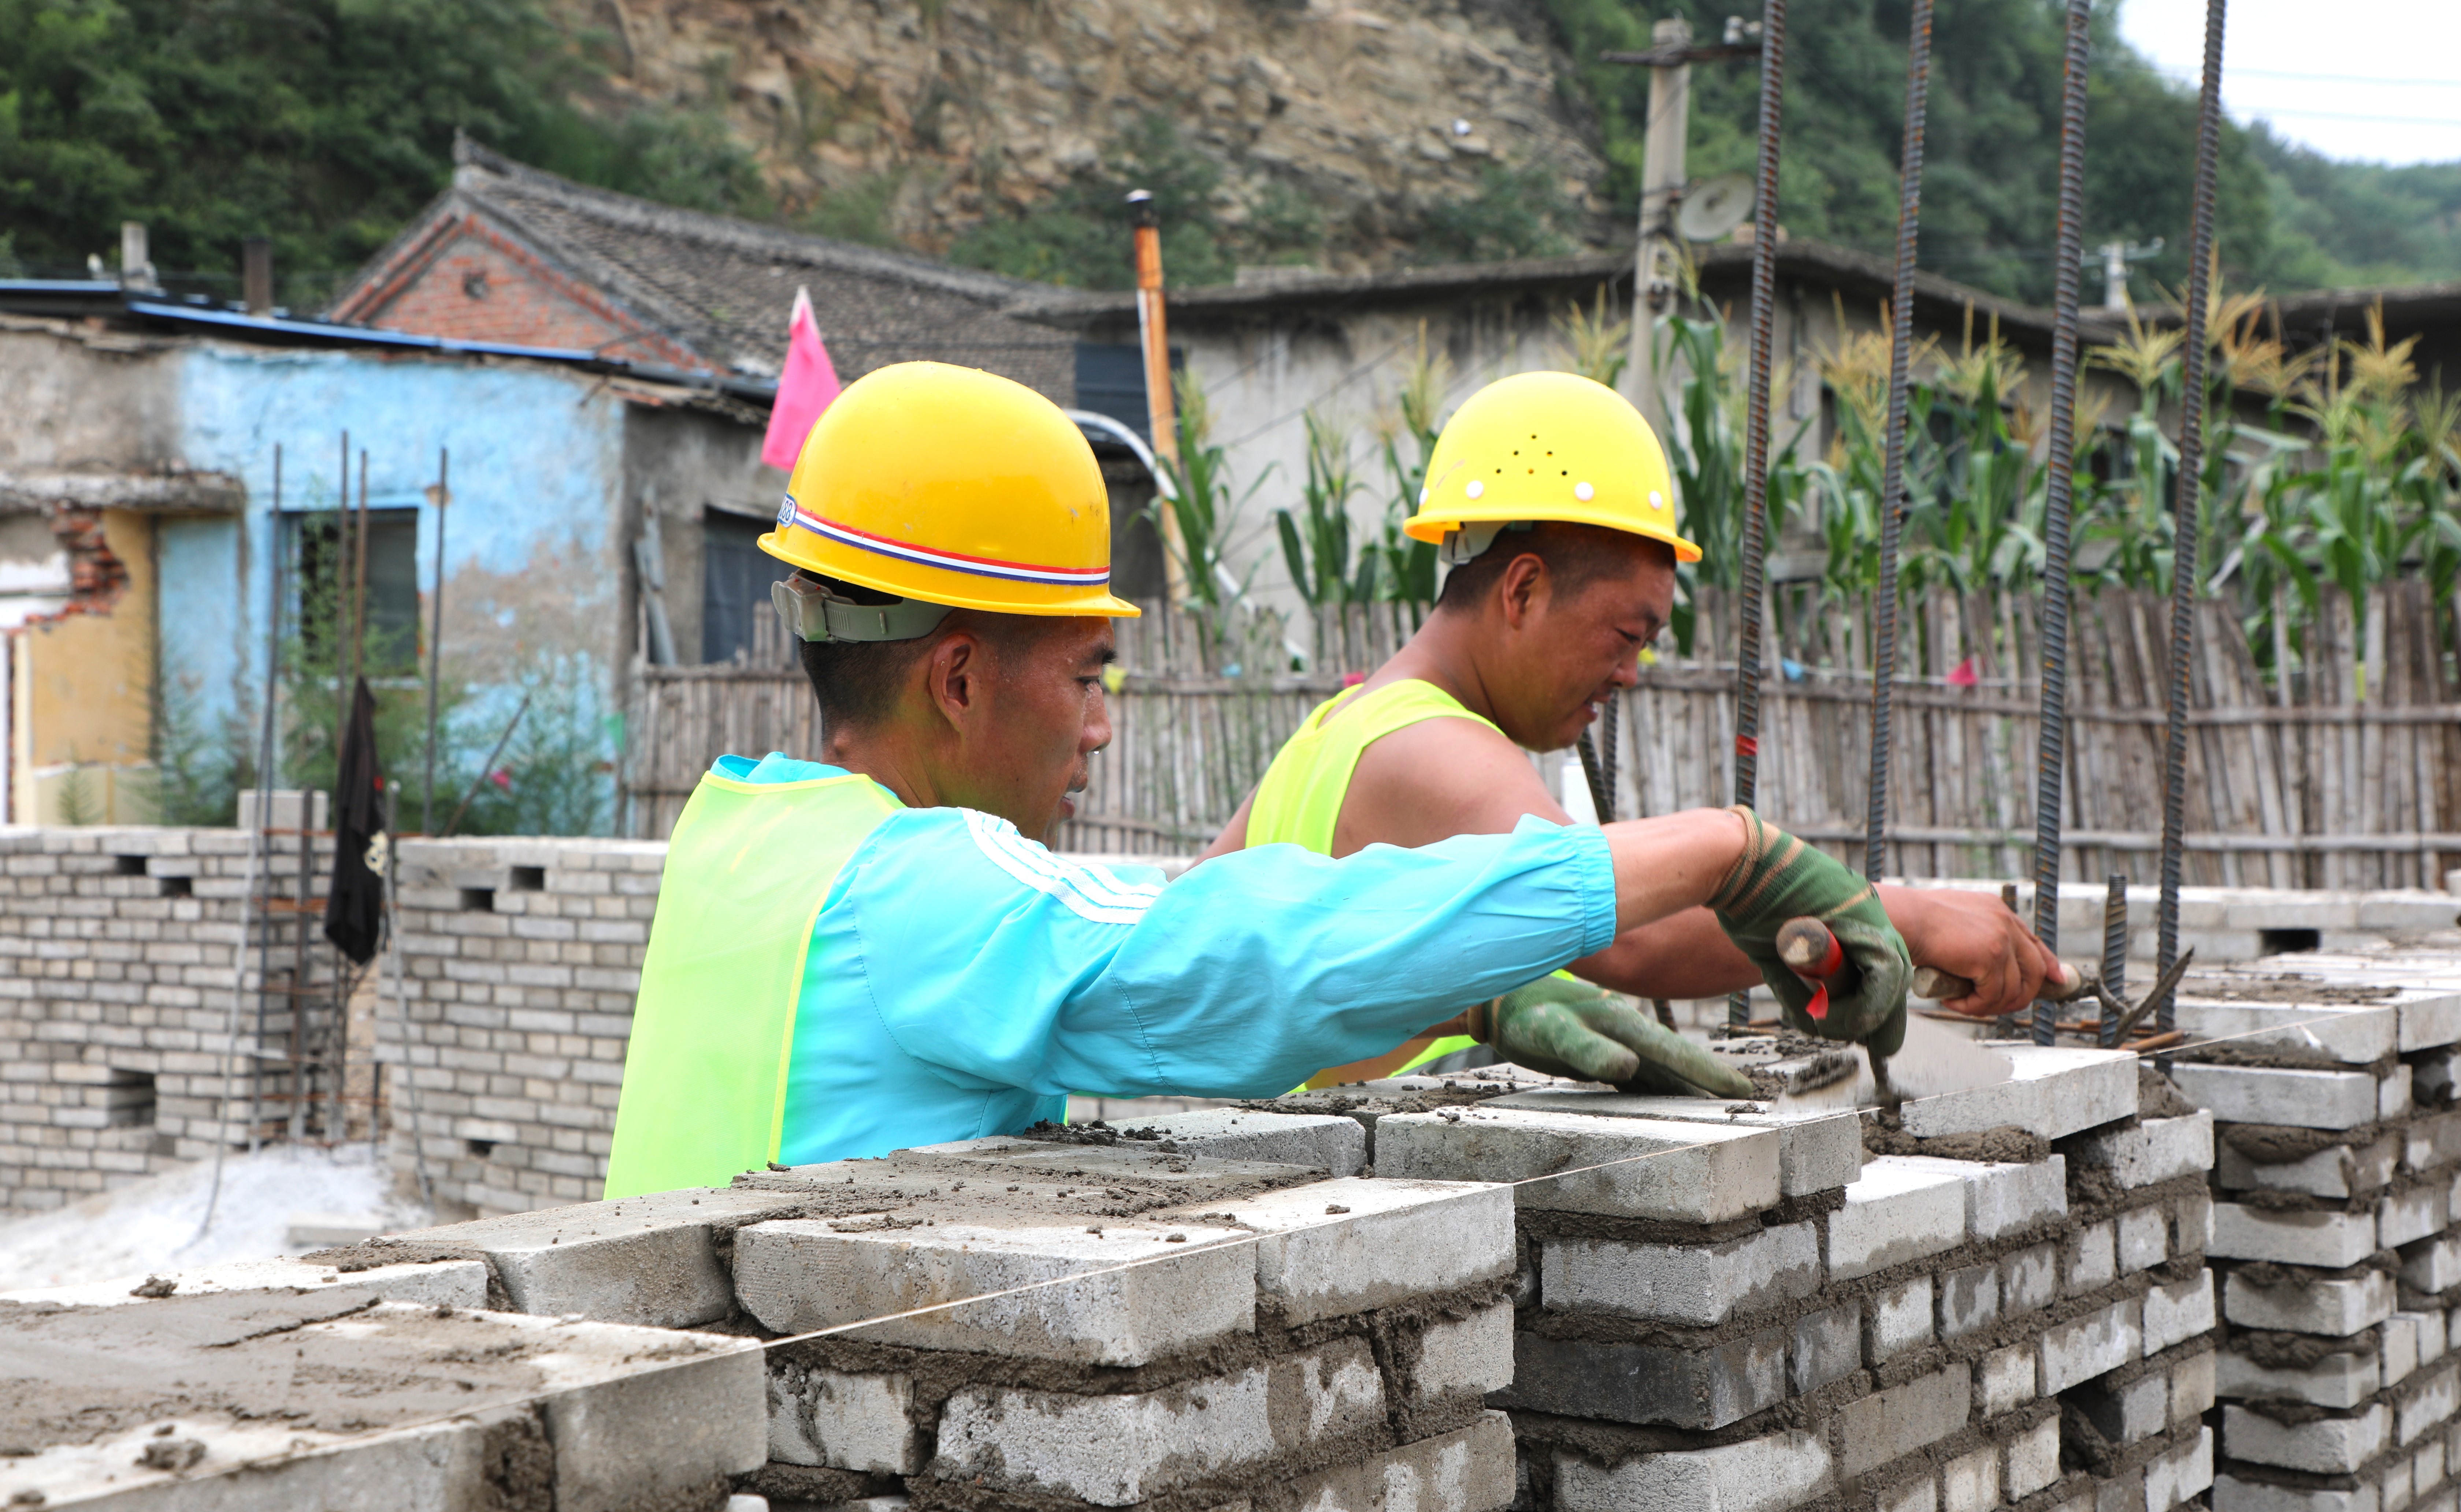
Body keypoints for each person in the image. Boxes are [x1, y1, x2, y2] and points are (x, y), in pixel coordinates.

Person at [601, 362, 1912, 1199]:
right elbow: (1245, 954)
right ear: (956, 680)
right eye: (1089, 676)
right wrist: (1723, 848)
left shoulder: (741, 835)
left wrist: (1471, 1010)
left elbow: (1151, 920)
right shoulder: (916, 889)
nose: (1102, 731)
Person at [1199, 370, 2071, 1090]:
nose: (1629, 676)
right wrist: (1901, 917)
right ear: (1523, 590)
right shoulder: (1440, 748)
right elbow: (1630, 935)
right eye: (1626, 636)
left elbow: (1184, 944)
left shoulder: (1332, 731)